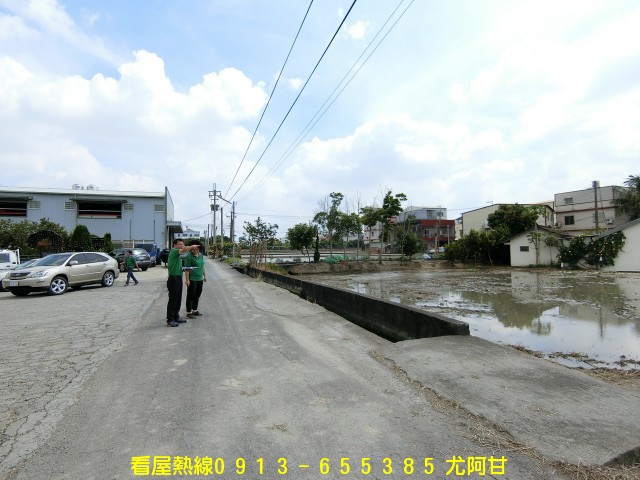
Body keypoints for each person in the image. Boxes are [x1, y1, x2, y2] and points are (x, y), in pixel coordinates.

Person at [166, 238, 198, 327]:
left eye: (182, 244)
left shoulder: (178, 255)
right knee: (173, 300)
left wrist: (186, 269)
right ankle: (170, 319)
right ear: (174, 245)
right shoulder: (174, 251)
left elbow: (178, 267)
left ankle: (176, 316)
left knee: (178, 299)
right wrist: (192, 246)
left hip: (178, 277)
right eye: (180, 244)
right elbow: (184, 250)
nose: (182, 246)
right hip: (173, 279)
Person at [184, 241, 206, 318]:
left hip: (200, 278)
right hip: (192, 279)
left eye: (197, 249)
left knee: (197, 295)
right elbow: (187, 269)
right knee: (191, 295)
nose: (196, 250)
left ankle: (194, 310)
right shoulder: (188, 257)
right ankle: (189, 312)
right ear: (191, 249)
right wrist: (187, 280)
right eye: (194, 249)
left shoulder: (200, 255)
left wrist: (204, 276)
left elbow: (202, 266)